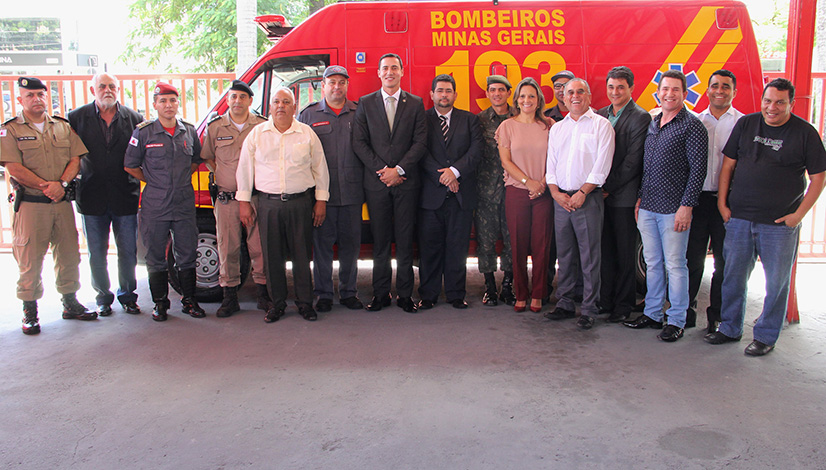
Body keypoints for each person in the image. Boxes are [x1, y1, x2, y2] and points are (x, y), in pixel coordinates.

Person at [705, 78, 826, 356]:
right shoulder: (747, 124)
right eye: (768, 101)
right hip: (739, 219)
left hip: (779, 225)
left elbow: (818, 178)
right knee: (732, 277)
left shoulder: (804, 133)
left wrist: (798, 215)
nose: (772, 108)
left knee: (776, 283)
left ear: (791, 104)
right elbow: (728, 167)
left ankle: (766, 336)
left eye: (780, 102)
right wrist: (723, 205)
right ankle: (729, 328)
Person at [1, 76, 97, 335]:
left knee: (69, 254)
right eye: (30, 95)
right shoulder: (10, 130)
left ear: (47, 97)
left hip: (61, 202)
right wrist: (47, 185)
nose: (37, 99)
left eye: (41, 94)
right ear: (20, 100)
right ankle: (30, 311)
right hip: (32, 205)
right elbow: (13, 167)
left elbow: (75, 159)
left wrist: (62, 184)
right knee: (30, 258)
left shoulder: (62, 127)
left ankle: (70, 303)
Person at [622, 70, 707, 342]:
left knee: (675, 265)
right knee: (653, 262)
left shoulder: (692, 126)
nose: (669, 94)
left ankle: (677, 319)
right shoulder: (654, 122)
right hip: (647, 206)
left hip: (674, 209)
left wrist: (687, 206)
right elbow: (648, 167)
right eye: (665, 89)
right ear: (658, 92)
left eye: (675, 89)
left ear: (684, 94)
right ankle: (653, 313)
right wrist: (639, 198)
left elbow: (698, 171)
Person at [236, 88, 330, 323]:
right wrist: (244, 202)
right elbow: (245, 169)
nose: (281, 106)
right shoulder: (257, 134)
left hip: (301, 203)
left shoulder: (306, 134)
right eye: (276, 102)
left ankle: (305, 303)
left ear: (294, 107)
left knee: (301, 256)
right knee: (272, 257)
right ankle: (277, 304)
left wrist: (321, 200)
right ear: (269, 107)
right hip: (268, 204)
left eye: (286, 102)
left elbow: (320, 167)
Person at [124, 82, 205, 322]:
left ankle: (189, 301)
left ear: (178, 103)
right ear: (155, 104)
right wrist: (151, 180)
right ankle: (160, 303)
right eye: (163, 101)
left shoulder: (188, 131)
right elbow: (130, 165)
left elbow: (196, 159)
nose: (168, 105)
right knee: (155, 255)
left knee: (188, 253)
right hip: (155, 204)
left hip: (183, 202)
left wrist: (179, 180)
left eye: (172, 100)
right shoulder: (144, 132)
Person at [353, 53, 427, 313]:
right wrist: (383, 170)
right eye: (385, 68)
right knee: (380, 242)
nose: (389, 72)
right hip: (377, 184)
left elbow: (420, 142)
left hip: (407, 183)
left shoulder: (416, 104)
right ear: (378, 72)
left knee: (405, 241)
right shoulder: (365, 103)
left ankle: (405, 295)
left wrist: (400, 169)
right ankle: (381, 294)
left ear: (402, 72)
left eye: (394, 68)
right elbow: (359, 143)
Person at [68, 73, 144, 317]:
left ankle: (128, 296)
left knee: (128, 251)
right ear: (93, 91)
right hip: (91, 195)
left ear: (118, 89)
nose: (107, 90)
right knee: (96, 252)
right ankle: (103, 297)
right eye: (102, 86)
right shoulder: (76, 118)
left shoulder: (134, 118)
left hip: (125, 194)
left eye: (112, 86)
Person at [544, 78, 614, 329]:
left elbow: (602, 165)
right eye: (569, 92)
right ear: (563, 97)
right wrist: (554, 192)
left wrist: (583, 192)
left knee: (589, 256)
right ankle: (564, 303)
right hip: (561, 199)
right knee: (565, 255)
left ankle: (588, 308)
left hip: (588, 199)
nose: (574, 96)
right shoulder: (558, 128)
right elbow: (550, 164)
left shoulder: (601, 126)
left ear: (589, 96)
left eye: (579, 92)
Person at [298, 65, 365, 312]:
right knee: (322, 248)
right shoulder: (309, 115)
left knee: (351, 247)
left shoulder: (359, 113)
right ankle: (324, 294)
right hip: (321, 197)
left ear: (347, 85)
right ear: (323, 86)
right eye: (332, 82)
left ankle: (349, 292)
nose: (337, 87)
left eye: (342, 82)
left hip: (353, 194)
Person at [201, 80, 269, 317]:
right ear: (227, 100)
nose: (237, 101)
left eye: (242, 97)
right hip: (227, 199)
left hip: (256, 199)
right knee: (227, 248)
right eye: (233, 97)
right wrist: (224, 175)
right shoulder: (216, 128)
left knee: (259, 247)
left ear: (250, 100)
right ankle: (229, 297)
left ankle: (263, 295)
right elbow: (208, 157)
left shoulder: (262, 126)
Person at [417, 74, 482, 310]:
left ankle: (456, 294)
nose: (444, 95)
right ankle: (428, 295)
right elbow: (419, 152)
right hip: (430, 196)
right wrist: (443, 177)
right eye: (440, 90)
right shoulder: (422, 120)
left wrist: (455, 172)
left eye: (448, 91)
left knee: (457, 247)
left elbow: (476, 151)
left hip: (461, 196)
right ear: (432, 95)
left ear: (455, 95)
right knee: (430, 248)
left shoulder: (470, 120)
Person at [596, 66, 651, 323]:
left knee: (625, 252)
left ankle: (623, 304)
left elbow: (633, 161)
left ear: (631, 88)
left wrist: (607, 187)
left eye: (620, 87)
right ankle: (605, 300)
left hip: (623, 196)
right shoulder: (600, 114)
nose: (615, 92)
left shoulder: (640, 117)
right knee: (605, 252)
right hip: (600, 196)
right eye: (611, 87)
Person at [691, 70, 744, 333]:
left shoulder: (744, 123)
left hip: (728, 203)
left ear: (734, 91)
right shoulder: (696, 121)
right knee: (692, 259)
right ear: (707, 91)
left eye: (726, 86)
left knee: (724, 262)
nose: (719, 90)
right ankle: (686, 311)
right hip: (697, 200)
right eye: (714, 86)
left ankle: (717, 316)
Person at [496, 77, 553, 313]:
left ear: (538, 99)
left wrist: (541, 183)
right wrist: (528, 182)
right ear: (516, 100)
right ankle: (521, 293)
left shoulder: (550, 125)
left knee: (542, 245)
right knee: (517, 245)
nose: (527, 100)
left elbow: (557, 159)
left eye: (531, 96)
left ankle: (538, 294)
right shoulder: (507, 126)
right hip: (517, 192)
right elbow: (505, 161)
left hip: (544, 192)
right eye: (522, 96)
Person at [476, 75, 516, 306]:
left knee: (512, 241)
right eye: (493, 90)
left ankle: (508, 286)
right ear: (488, 94)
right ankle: (489, 286)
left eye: (502, 90)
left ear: (508, 93)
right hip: (486, 192)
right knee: (486, 241)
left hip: (513, 190)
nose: (497, 93)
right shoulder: (479, 121)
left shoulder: (519, 118)